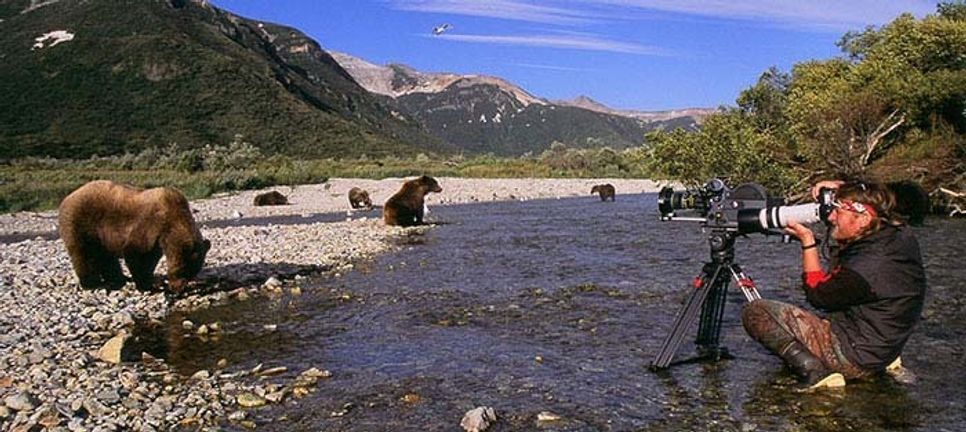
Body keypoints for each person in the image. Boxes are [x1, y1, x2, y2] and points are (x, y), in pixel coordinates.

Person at [742, 179, 927, 390]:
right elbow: (899, 195)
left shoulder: (863, 268)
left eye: (838, 211)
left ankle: (815, 372)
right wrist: (843, 187)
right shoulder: (898, 235)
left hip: (856, 358)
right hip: (884, 347)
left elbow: (817, 294)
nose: (830, 217)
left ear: (863, 219)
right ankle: (882, 363)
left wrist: (807, 241)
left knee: (757, 312)